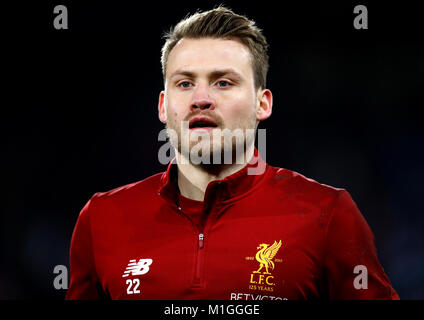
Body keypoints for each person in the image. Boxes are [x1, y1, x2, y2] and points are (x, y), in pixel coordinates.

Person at [66, 6, 399, 300]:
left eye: (223, 82)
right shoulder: (101, 218)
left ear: (262, 103)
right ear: (163, 106)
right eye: (184, 83)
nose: (201, 98)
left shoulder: (328, 215)